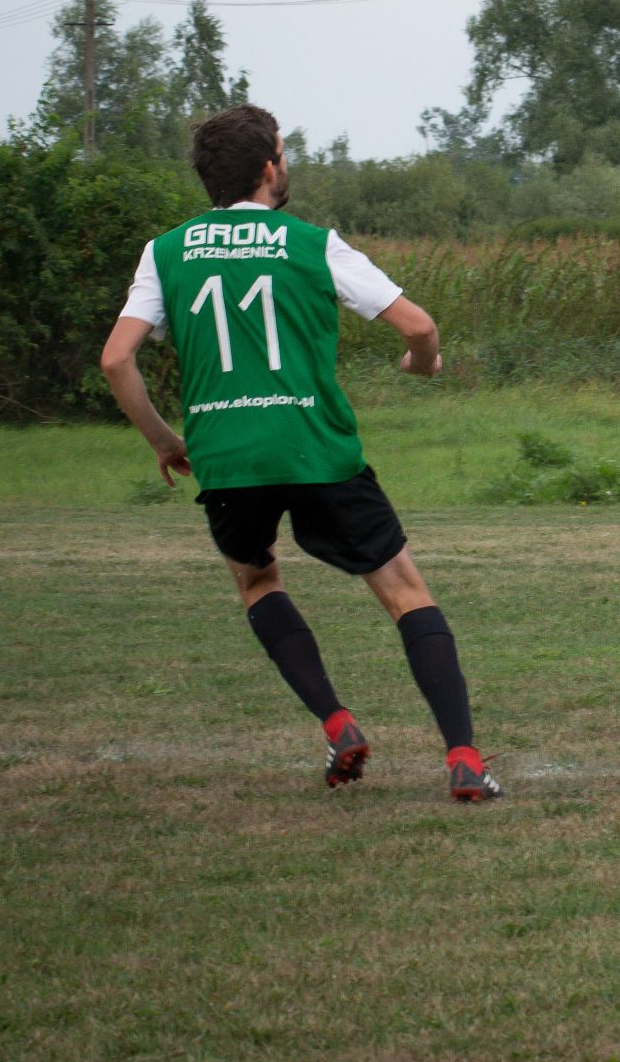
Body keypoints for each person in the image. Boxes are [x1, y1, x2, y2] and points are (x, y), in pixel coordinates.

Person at [98, 104, 500, 802]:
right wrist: (420, 363)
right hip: (316, 446)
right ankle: (463, 757)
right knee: (405, 592)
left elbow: (115, 359)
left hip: (227, 456)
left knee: (258, 583)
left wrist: (165, 439)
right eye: (283, 153)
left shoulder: (166, 251)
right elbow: (420, 325)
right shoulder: (311, 243)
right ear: (267, 168)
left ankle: (338, 722)